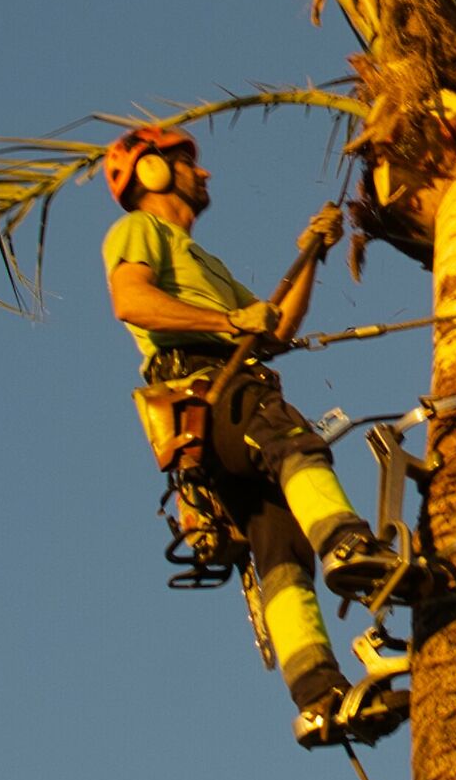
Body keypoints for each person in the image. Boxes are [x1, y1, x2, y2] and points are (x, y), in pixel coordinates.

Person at [100, 123, 403, 747]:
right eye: (188, 163)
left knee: (282, 547)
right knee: (295, 444)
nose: (204, 173)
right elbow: (131, 301)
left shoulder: (202, 261)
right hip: (205, 387)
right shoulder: (138, 231)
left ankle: (320, 697)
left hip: (224, 391)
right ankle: (348, 545)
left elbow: (276, 331)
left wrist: (314, 256)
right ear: (152, 173)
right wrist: (225, 319)